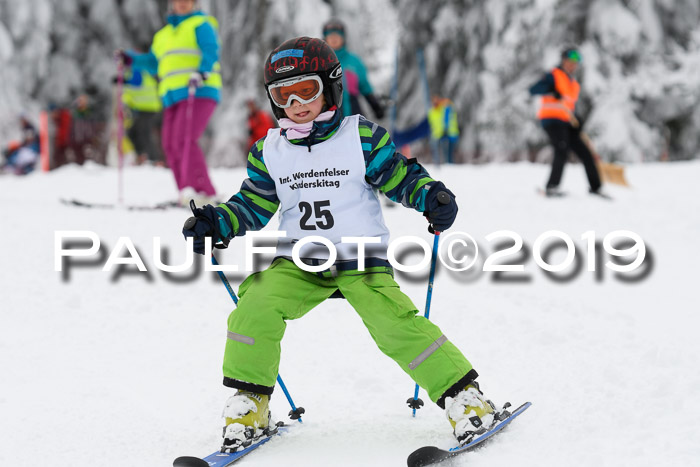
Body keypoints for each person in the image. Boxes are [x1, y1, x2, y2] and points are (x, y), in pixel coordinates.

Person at [182, 37, 504, 453]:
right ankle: (251, 404)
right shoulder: (270, 151)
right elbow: (253, 204)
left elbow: (398, 175)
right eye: (284, 94)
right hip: (299, 261)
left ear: (331, 87)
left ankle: (465, 397)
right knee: (255, 304)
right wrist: (218, 221)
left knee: (392, 320)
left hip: (359, 257)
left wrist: (429, 195)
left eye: (307, 90)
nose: (296, 103)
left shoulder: (361, 137)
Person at [121, 0, 221, 203]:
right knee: (169, 143)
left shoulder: (201, 24)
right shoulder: (163, 35)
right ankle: (186, 191)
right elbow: (154, 63)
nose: (182, 3)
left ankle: (204, 192)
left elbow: (210, 51)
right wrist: (131, 59)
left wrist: (202, 71)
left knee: (185, 139)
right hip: (172, 96)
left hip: (199, 91)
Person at [529, 47, 602, 197]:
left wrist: (578, 119)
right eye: (570, 62)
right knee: (561, 150)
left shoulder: (573, 83)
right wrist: (550, 89)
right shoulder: (553, 76)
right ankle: (552, 187)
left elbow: (569, 105)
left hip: (567, 122)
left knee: (585, 152)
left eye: (575, 63)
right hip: (551, 120)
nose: (572, 65)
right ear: (563, 61)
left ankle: (596, 187)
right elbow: (534, 89)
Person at [322, 19, 385, 120]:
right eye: (330, 36)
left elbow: (365, 86)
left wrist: (375, 105)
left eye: (337, 36)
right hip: (331, 116)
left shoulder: (354, 61)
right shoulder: (321, 62)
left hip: (354, 112)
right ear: (325, 39)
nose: (334, 39)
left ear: (343, 38)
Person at [122, 67, 163, 165]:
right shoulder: (129, 72)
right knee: (132, 132)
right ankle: (142, 156)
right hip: (140, 108)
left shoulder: (137, 68)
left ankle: (154, 160)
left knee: (144, 133)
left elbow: (137, 82)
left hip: (148, 106)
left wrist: (124, 81)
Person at [428, 95, 460, 164]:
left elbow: (446, 121)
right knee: (442, 152)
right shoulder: (433, 111)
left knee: (448, 152)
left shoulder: (445, 110)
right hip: (438, 135)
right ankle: (443, 163)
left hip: (448, 134)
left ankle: (449, 164)